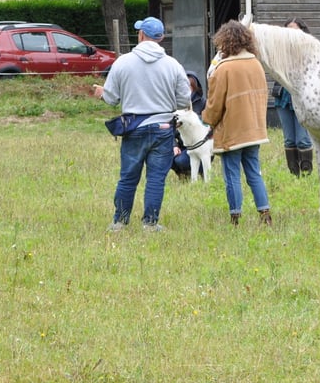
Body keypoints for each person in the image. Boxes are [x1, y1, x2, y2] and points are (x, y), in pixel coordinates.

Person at [93, 17, 191, 232]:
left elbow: (111, 99)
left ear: (140, 35)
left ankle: (119, 222)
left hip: (134, 128)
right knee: (156, 179)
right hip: (163, 129)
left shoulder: (123, 62)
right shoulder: (173, 65)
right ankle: (150, 223)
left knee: (128, 177)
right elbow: (185, 100)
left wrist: (101, 93)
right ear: (161, 38)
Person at [202, 20, 272, 226]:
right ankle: (265, 214)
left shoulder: (223, 69)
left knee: (232, 174)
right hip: (255, 130)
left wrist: (208, 121)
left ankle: (235, 217)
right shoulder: (256, 64)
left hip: (232, 131)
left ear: (225, 42)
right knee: (254, 172)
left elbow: (214, 105)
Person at [273, 18, 313, 176]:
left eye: (294, 30)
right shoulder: (280, 51)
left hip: (302, 98)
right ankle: (294, 174)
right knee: (289, 139)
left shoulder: (309, 50)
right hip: (283, 97)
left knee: (303, 139)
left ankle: (306, 173)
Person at [171, 70, 207, 179]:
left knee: (183, 160)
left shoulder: (204, 103)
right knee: (166, 156)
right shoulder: (174, 106)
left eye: (189, 88)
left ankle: (200, 171)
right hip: (182, 144)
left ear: (195, 88)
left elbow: (208, 125)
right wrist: (174, 146)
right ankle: (182, 173)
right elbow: (170, 128)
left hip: (201, 144)